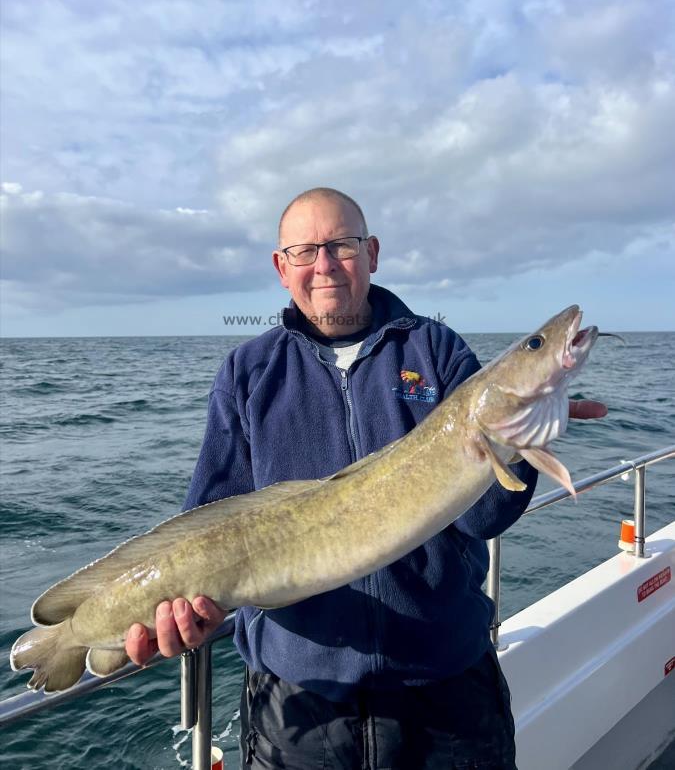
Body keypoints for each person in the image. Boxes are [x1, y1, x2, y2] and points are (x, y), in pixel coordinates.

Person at [126, 188, 606, 769]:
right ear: (282, 268)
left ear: (372, 253)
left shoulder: (436, 349)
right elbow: (212, 519)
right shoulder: (247, 372)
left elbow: (486, 517)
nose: (324, 265)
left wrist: (525, 442)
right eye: (305, 251)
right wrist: (192, 615)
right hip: (300, 707)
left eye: (342, 246)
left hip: (447, 690)